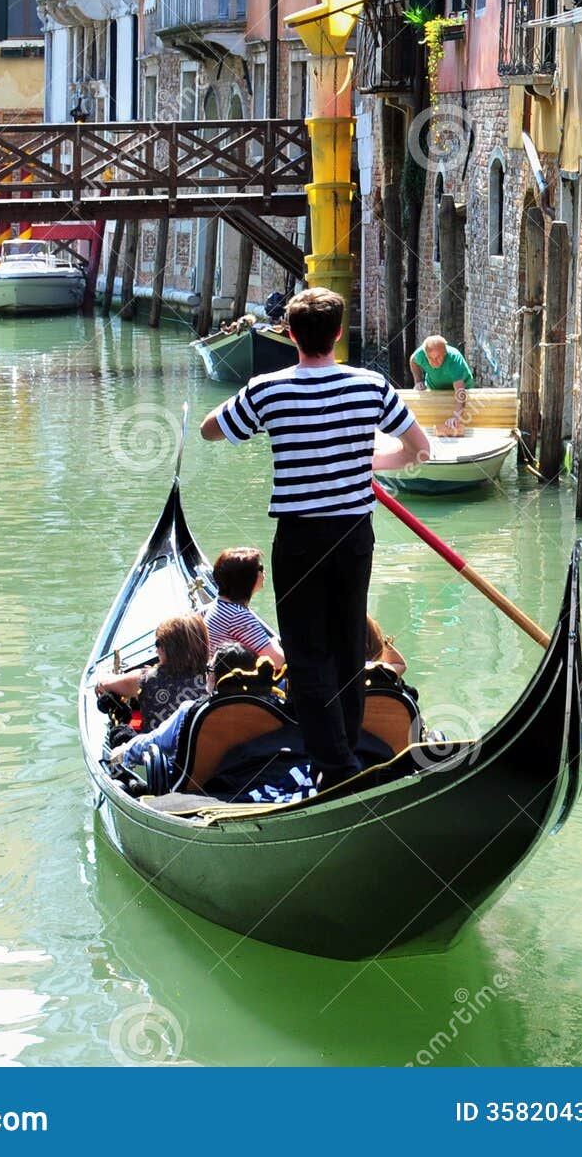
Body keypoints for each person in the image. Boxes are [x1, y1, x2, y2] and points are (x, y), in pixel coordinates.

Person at [200, 286, 430, 788]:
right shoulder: (370, 385)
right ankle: (343, 749)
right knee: (347, 642)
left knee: (306, 652)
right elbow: (419, 449)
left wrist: (251, 410)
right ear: (339, 334)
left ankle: (337, 766)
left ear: (289, 334)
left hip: (300, 537)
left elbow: (209, 431)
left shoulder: (269, 389)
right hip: (353, 534)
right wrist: (370, 461)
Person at [118, 643, 258, 769]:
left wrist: (124, 750)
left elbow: (155, 742)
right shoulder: (269, 708)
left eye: (209, 669)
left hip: (202, 788)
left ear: (214, 677)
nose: (206, 673)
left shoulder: (190, 711)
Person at [94, 612, 209, 732]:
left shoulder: (145, 679)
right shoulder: (214, 675)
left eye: (158, 643)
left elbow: (102, 686)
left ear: (170, 648)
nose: (156, 650)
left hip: (154, 748)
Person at [206, 547, 286, 671]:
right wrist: (276, 642)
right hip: (228, 682)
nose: (263, 572)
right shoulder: (238, 616)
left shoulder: (215, 605)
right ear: (247, 579)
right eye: (260, 568)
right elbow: (278, 661)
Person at [409, 333, 474, 436]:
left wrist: (457, 417)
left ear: (444, 353)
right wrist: (418, 381)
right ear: (425, 355)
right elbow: (413, 361)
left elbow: (460, 391)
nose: (434, 362)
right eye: (430, 358)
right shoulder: (420, 354)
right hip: (435, 387)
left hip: (462, 388)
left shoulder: (454, 358)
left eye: (438, 357)